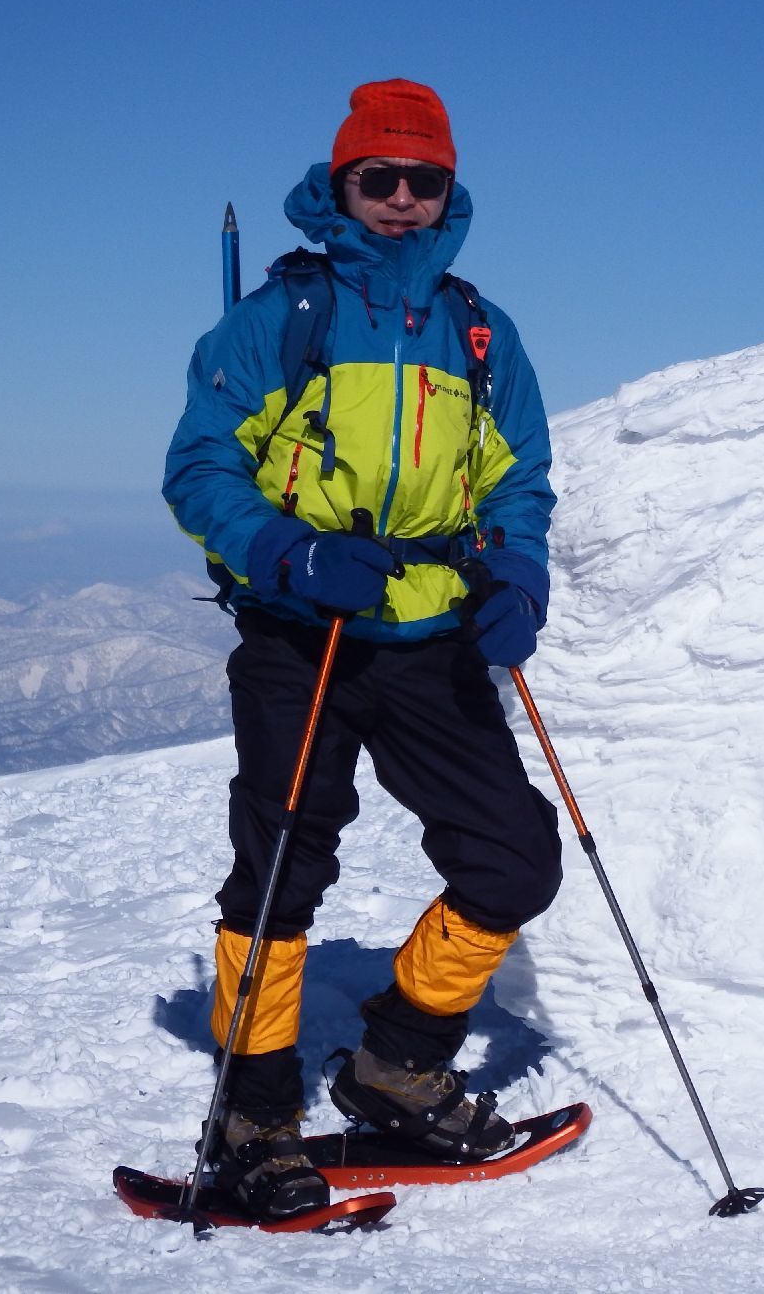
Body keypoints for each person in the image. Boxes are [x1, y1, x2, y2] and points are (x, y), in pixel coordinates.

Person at [163, 78, 561, 1219]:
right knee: (283, 867)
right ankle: (254, 1110)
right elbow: (200, 470)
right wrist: (288, 555)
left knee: (513, 857)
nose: (398, 198)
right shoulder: (277, 321)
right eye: (374, 178)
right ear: (338, 186)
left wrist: (518, 571)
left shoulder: (480, 329)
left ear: (448, 190)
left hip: (430, 634)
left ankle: (395, 1063)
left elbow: (517, 476)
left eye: (419, 179)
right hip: (301, 634)